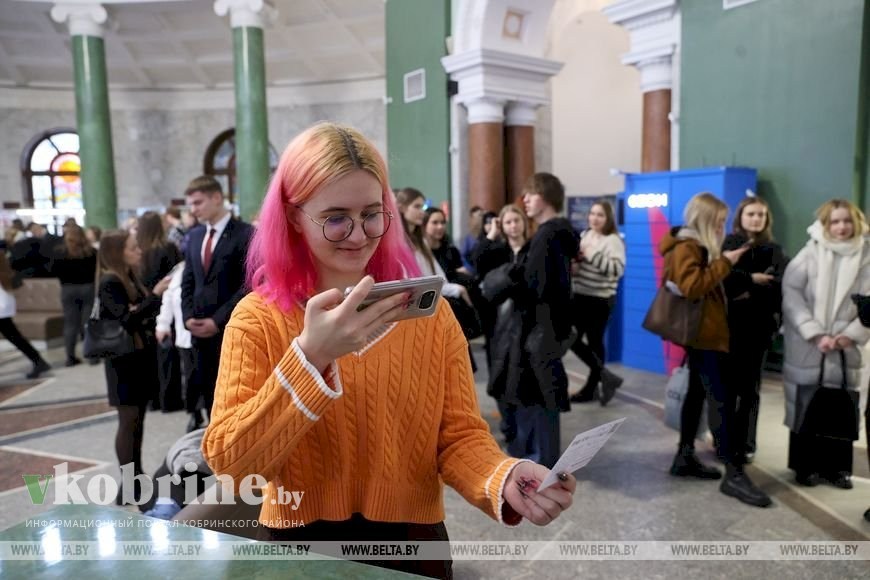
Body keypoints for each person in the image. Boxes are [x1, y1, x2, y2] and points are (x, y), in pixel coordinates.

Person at [201, 123, 577, 579]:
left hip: (412, 548)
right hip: (299, 552)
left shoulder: (429, 316)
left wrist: (502, 477)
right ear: (293, 216)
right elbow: (233, 466)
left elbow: (458, 435)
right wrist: (309, 358)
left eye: (372, 214)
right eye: (335, 217)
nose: (358, 235)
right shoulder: (257, 319)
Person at [659, 192, 771, 508]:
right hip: (705, 337)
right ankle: (733, 473)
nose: (722, 227)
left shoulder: (693, 246)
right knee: (720, 402)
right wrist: (725, 262)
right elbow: (694, 286)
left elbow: (699, 287)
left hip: (703, 334)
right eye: (719, 221)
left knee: (697, 393)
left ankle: (684, 456)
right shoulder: (687, 247)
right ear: (706, 220)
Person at [781, 199, 870, 490]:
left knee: (841, 407)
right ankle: (804, 467)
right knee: (806, 404)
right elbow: (792, 294)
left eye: (846, 221)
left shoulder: (866, 256)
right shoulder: (809, 253)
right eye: (835, 221)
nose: (842, 227)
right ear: (825, 224)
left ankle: (837, 469)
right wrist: (815, 333)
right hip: (810, 346)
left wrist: (850, 334)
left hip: (846, 348)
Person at [96, 230, 171, 504]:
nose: (138, 251)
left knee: (138, 420)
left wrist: (144, 303)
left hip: (137, 358)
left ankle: (137, 478)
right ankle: (127, 485)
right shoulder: (109, 282)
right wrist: (154, 295)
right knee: (128, 421)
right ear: (118, 252)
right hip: (122, 363)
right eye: (131, 248)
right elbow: (128, 319)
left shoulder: (128, 277)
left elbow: (138, 313)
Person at [513, 173, 579, 468]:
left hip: (540, 326)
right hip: (555, 326)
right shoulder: (563, 233)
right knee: (544, 393)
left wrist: (511, 278)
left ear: (546, 197)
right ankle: (546, 457)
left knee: (539, 396)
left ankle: (544, 461)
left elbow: (534, 286)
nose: (525, 200)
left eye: (531, 193)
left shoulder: (545, 235)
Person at [181, 176, 253, 432]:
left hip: (231, 327)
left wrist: (217, 320)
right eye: (191, 204)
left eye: (198, 202)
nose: (193, 209)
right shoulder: (196, 234)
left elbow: (248, 284)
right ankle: (215, 442)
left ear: (217, 197)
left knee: (232, 392)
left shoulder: (245, 233)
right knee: (208, 390)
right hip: (199, 329)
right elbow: (188, 280)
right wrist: (187, 316)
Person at [721, 196, 788, 463]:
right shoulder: (729, 244)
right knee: (726, 389)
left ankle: (746, 444)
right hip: (729, 328)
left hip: (758, 329)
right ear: (741, 217)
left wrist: (747, 288)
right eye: (751, 214)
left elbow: (777, 287)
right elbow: (725, 283)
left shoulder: (774, 249)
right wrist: (752, 281)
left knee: (750, 390)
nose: (756, 219)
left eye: (761, 214)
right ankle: (724, 442)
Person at [473, 204, 532, 448]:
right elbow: (477, 259)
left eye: (516, 221)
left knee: (520, 377)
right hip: (497, 324)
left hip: (524, 324)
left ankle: (522, 429)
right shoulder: (498, 250)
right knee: (499, 375)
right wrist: (491, 233)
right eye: (507, 222)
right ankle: (508, 426)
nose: (513, 226)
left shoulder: (533, 250)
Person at [567, 200, 626, 406]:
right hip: (579, 296)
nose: (595, 218)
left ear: (608, 218)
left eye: (600, 215)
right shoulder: (585, 236)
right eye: (592, 214)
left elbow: (617, 270)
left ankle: (592, 387)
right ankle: (605, 377)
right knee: (570, 337)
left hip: (599, 299)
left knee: (594, 341)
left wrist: (592, 254)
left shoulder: (613, 240)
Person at [49, 223, 98, 366]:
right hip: (87, 288)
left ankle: (70, 357)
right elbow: (96, 270)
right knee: (87, 322)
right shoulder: (91, 252)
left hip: (67, 289)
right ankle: (92, 355)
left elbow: (53, 270)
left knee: (70, 324)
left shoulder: (59, 252)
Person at [0, 252, 51, 379]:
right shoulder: (3, 264)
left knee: (14, 336)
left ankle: (38, 361)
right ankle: (38, 361)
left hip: (1, 305)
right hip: (4, 304)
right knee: (14, 336)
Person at [460, 205, 484, 274]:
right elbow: (462, 256)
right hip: (473, 270)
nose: (481, 218)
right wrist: (469, 269)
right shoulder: (469, 238)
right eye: (479, 215)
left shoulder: (489, 233)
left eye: (482, 215)